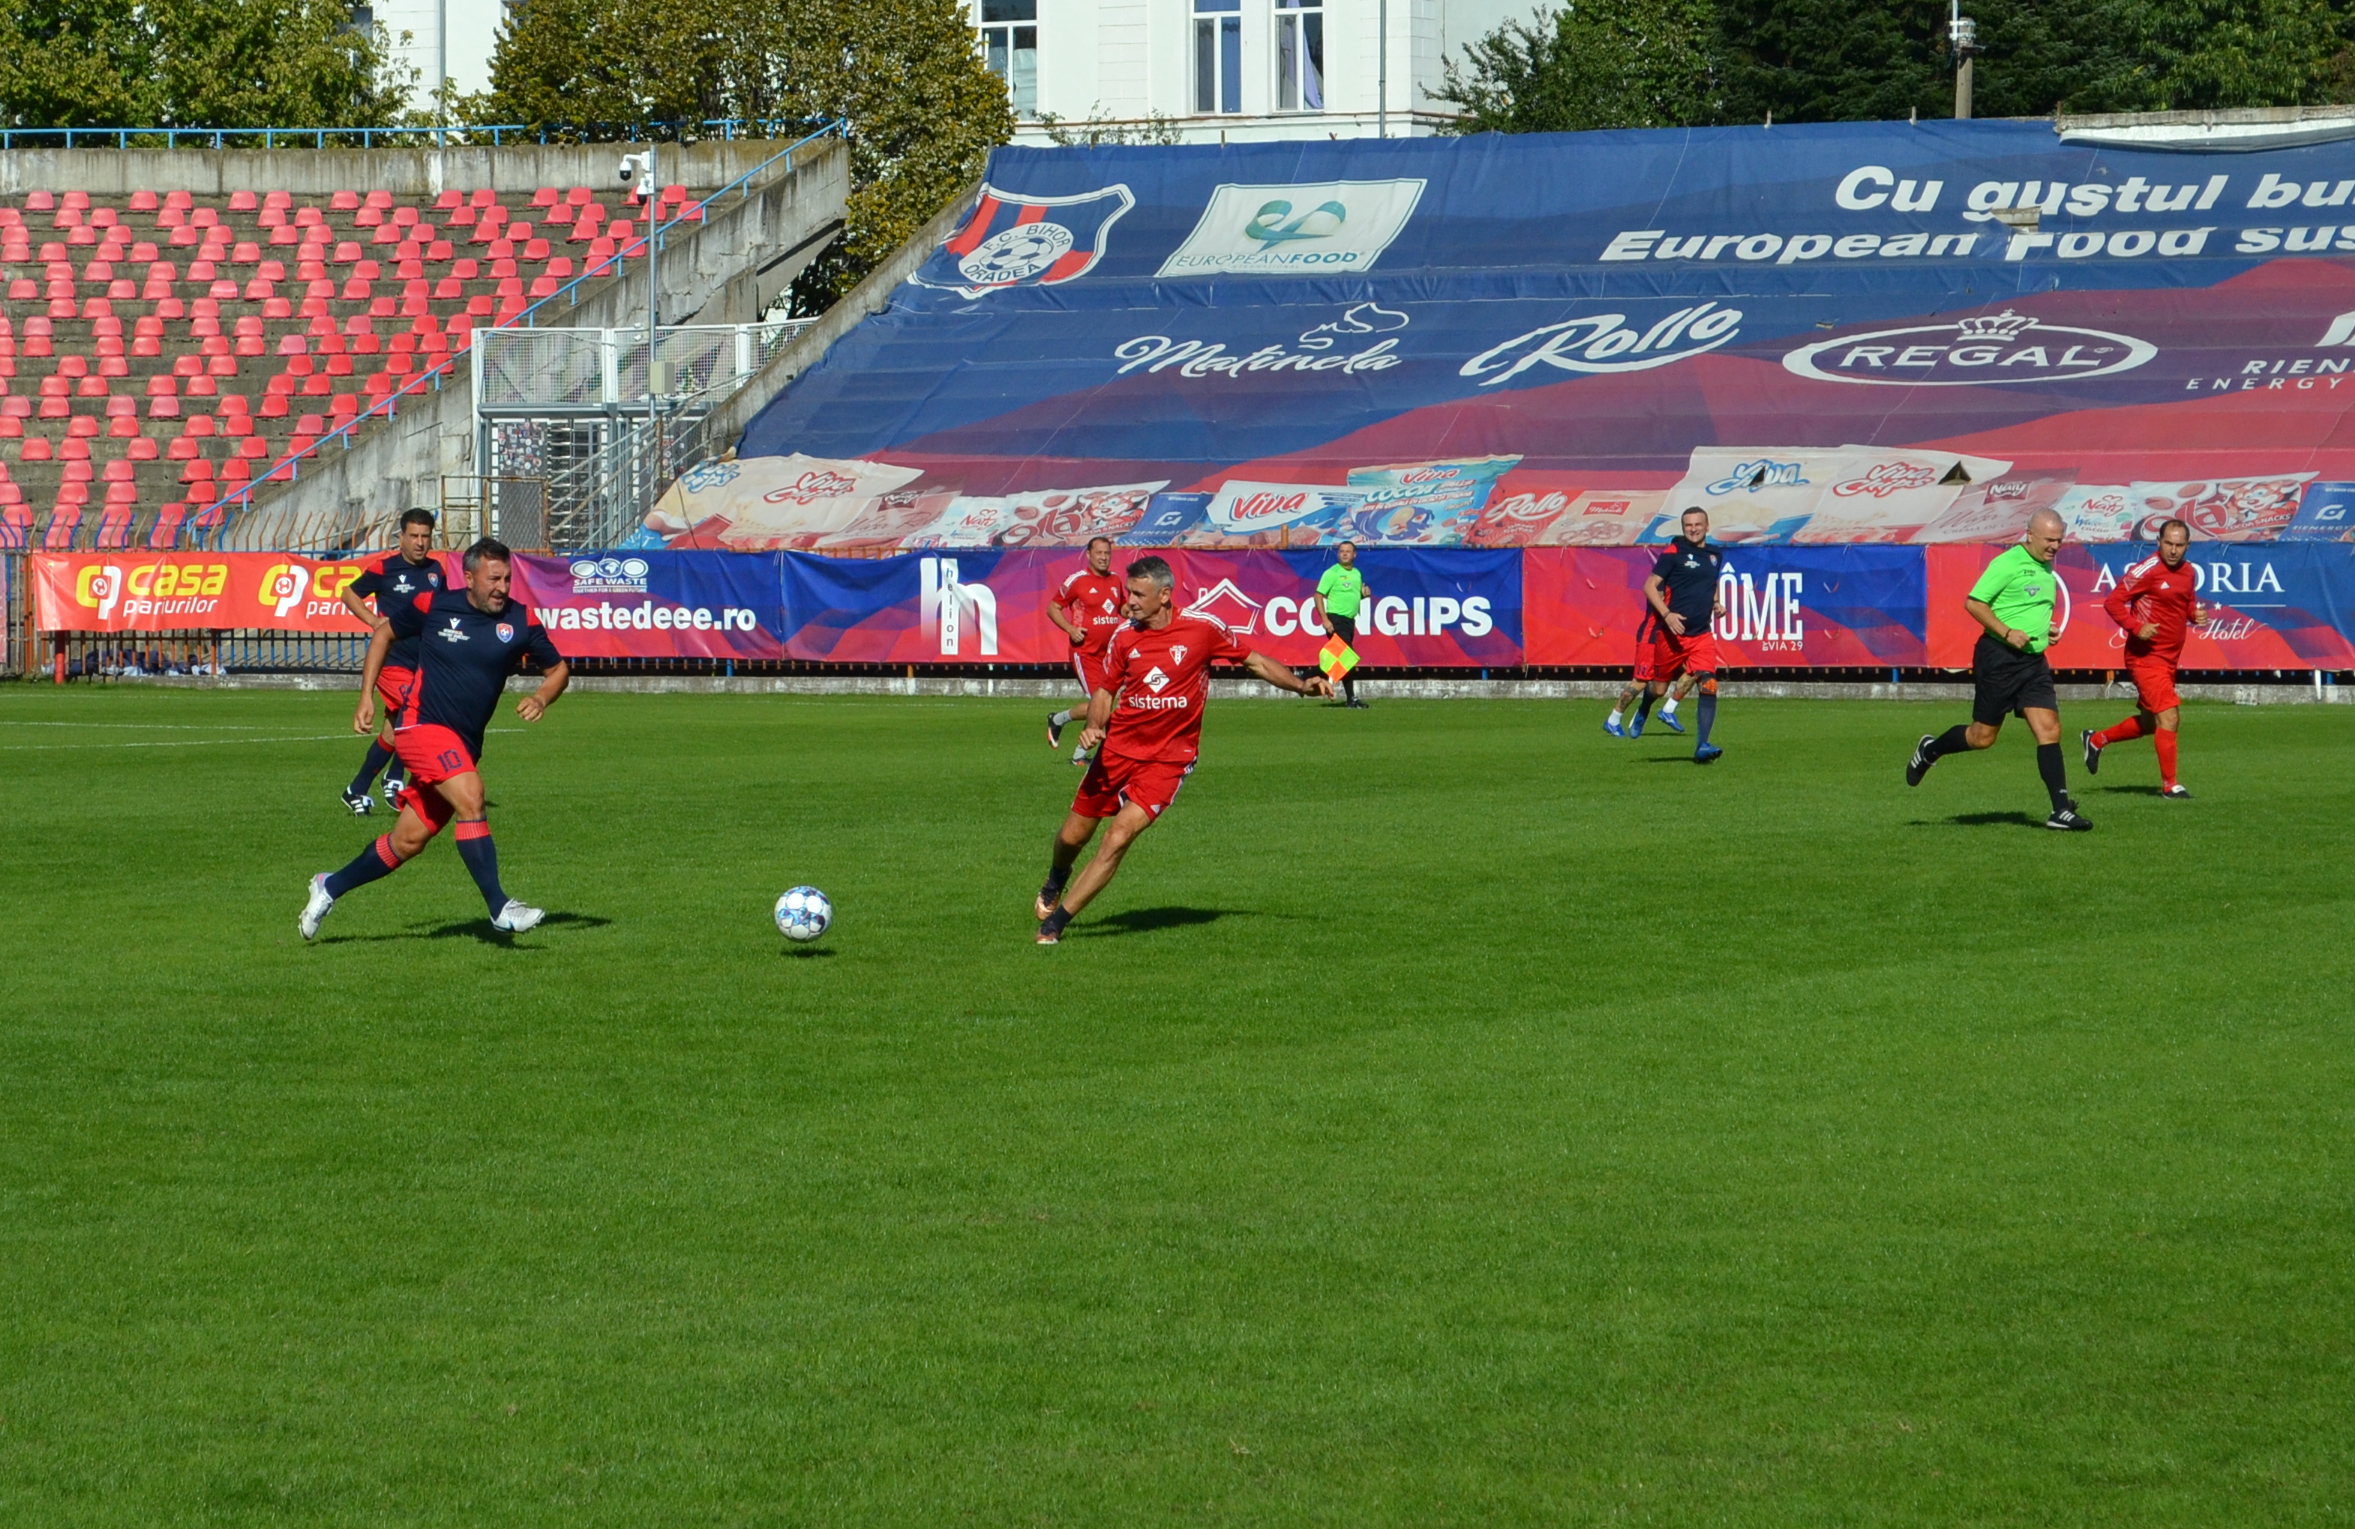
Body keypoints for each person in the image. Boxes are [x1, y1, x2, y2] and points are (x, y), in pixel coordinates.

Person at [1034, 555, 1331, 944]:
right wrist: (1093, 726)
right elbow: (1105, 691)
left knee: (1118, 836)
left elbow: (1256, 662)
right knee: (1072, 837)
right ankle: (1056, 878)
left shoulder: (1203, 629)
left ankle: (1056, 925)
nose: (1129, 601)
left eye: (1138, 594)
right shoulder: (1124, 636)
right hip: (1117, 752)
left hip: (1168, 761)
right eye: (1129, 592)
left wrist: (1301, 685)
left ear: (1164, 595)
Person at [301, 538, 570, 939]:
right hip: (419, 726)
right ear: (469, 578)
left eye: (507, 579)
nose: (502, 587)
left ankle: (329, 886)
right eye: (493, 579)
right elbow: (383, 635)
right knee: (471, 796)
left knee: (407, 842)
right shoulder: (434, 604)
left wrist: (541, 697)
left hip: (463, 745)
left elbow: (559, 669)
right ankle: (500, 907)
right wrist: (366, 696)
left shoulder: (521, 620)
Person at [1905, 509, 2092, 830]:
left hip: (2033, 662)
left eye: (2059, 540)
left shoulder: (2045, 566)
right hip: (1999, 658)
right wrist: (2007, 632)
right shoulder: (2007, 563)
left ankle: (2060, 810)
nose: (2054, 546)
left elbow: (2025, 608)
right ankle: (1930, 749)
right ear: (2029, 535)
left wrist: (2044, 630)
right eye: (2049, 539)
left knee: (2049, 729)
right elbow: (1974, 603)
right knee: (1982, 737)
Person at [2083, 518, 2203, 799]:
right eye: (2168, 543)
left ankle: (2096, 739)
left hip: (2169, 659)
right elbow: (2113, 602)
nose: (2173, 550)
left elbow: (2186, 602)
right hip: (2145, 658)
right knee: (2169, 717)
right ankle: (2170, 785)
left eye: (2179, 545)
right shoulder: (2146, 570)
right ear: (2158, 542)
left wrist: (2194, 614)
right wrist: (2136, 627)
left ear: (2187, 545)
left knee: (2151, 724)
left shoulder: (2188, 571)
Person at [336, 508, 444, 814]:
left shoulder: (437, 570)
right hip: (392, 661)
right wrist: (374, 621)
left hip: (422, 662)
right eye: (414, 536)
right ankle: (396, 779)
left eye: (425, 536)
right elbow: (348, 594)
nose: (420, 542)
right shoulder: (385, 568)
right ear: (401, 537)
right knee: (419, 714)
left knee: (394, 729)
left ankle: (356, 789)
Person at [1627, 507, 1727, 762]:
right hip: (1671, 637)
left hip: (1701, 635)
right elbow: (1649, 586)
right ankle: (1645, 707)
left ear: (1707, 526)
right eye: (1688, 525)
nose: (1693, 529)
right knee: (1659, 688)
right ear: (1683, 528)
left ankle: (1702, 745)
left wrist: (1716, 603)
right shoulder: (1673, 553)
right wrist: (1667, 615)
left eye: (1697, 524)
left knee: (1709, 684)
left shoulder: (1715, 555)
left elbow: (1711, 582)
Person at [1044, 536, 1126, 765]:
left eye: (1107, 553)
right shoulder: (1077, 581)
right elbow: (1053, 608)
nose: (1103, 557)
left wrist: (1132, 611)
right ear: (1088, 555)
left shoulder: (1116, 580)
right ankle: (1080, 756)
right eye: (1099, 553)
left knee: (1103, 705)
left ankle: (1058, 720)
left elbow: (1121, 608)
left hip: (1108, 654)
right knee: (1101, 705)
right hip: (1085, 653)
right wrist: (1071, 629)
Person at [1313, 540, 1369, 708]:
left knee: (1340, 660)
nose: (1344, 554)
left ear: (1354, 554)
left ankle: (1304, 675)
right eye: (1342, 551)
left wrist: (1364, 594)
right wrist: (1325, 619)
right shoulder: (1332, 573)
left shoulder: (1357, 573)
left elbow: (1352, 595)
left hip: (1349, 621)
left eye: (1348, 551)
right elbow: (1318, 595)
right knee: (1346, 659)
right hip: (1336, 620)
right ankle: (1351, 699)